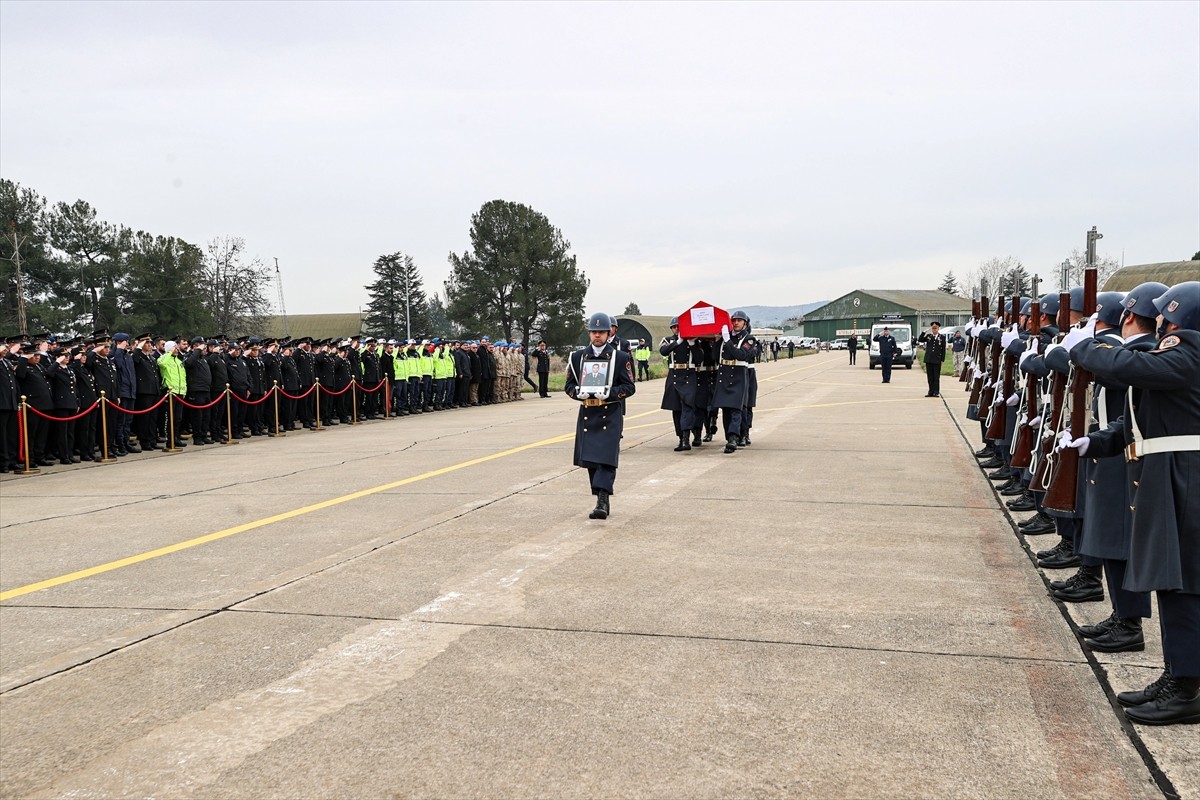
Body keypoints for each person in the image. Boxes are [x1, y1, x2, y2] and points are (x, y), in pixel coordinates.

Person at [1063, 280, 1200, 725]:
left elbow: (1126, 365)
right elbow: (1143, 420)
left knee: (1185, 584)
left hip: (1186, 480)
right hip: (1170, 476)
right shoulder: (1175, 359)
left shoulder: (1189, 352)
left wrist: (1084, 348)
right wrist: (1097, 442)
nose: (1158, 320)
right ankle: (1179, 675)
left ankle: (1186, 687)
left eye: (1165, 314)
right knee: (1173, 582)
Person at [564, 311, 636, 520]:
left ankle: (602, 500)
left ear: (609, 332)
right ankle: (599, 494)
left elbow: (629, 387)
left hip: (610, 412)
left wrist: (611, 394)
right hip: (588, 412)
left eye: (601, 332)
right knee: (592, 460)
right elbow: (568, 385)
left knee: (606, 459)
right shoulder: (577, 357)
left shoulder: (620, 357)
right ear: (589, 333)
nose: (597, 336)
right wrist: (577, 393)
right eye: (594, 332)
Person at [917, 322, 946, 397]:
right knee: (930, 377)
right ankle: (930, 391)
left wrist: (942, 359)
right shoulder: (929, 336)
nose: (934, 330)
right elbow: (920, 339)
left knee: (936, 377)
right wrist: (924, 332)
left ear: (938, 329)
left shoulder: (942, 337)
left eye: (935, 328)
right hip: (929, 359)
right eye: (933, 328)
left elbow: (943, 350)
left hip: (937, 359)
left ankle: (936, 391)